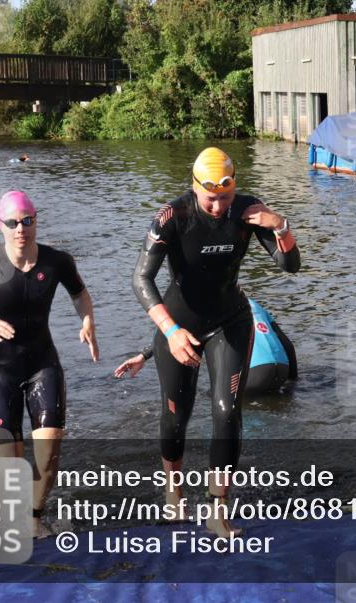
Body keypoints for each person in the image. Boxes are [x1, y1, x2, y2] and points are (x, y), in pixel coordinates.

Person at [132, 147, 300, 537]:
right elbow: (141, 279)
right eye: (211, 197)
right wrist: (170, 331)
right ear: (195, 188)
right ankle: (174, 495)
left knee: (226, 411)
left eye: (226, 196)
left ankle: (217, 510)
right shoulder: (173, 216)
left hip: (230, 321)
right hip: (179, 325)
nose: (219, 206)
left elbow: (290, 265)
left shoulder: (247, 210)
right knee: (176, 416)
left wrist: (280, 226)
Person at [0, 191, 99, 537]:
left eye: (27, 221)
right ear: (0, 225)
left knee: (49, 450)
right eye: (12, 223)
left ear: (36, 221)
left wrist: (87, 320)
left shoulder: (57, 261)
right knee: (7, 460)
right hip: (0, 370)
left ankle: (33, 517)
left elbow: (80, 294)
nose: (20, 229)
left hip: (43, 364)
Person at [115, 298, 298, 396]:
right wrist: (292, 382)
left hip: (254, 374)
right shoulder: (254, 304)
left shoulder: (213, 305)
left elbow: (174, 337)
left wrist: (142, 356)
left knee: (208, 399)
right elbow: (288, 346)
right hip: (281, 370)